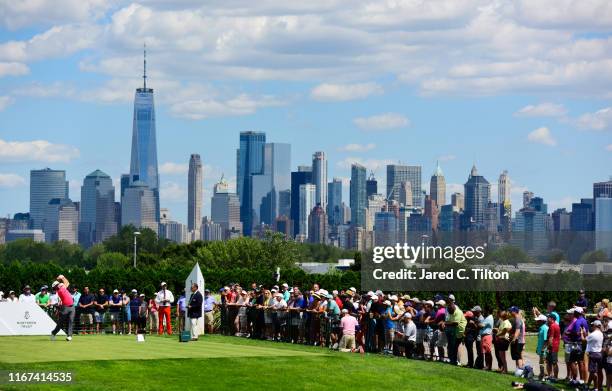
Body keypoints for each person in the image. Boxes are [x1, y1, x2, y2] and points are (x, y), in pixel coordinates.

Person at [50, 275, 74, 342]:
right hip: (65, 307)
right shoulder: (60, 290)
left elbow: (65, 283)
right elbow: (67, 283)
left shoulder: (61, 288)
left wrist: (60, 279)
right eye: (57, 285)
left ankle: (69, 336)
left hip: (72, 307)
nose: (59, 285)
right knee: (61, 322)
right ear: (56, 287)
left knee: (71, 321)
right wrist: (62, 277)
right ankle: (53, 333)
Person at [586, 320, 604, 391]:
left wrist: (582, 333)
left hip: (593, 354)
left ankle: (596, 387)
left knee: (593, 372)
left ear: (595, 326)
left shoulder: (593, 334)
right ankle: (590, 386)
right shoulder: (601, 333)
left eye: (592, 325)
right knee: (596, 371)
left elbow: (585, 339)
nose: (592, 326)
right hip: (599, 354)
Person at [545, 312, 561, 381]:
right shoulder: (556, 325)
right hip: (555, 346)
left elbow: (551, 338)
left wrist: (548, 347)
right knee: (553, 362)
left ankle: (553, 376)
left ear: (552, 319)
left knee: (551, 362)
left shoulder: (552, 326)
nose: (547, 319)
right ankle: (553, 376)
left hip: (552, 347)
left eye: (548, 317)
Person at [534, 314, 549, 380]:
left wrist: (543, 349)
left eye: (538, 321)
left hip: (544, 350)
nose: (537, 322)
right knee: (541, 362)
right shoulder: (541, 328)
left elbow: (546, 340)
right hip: (541, 349)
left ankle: (544, 376)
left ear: (542, 321)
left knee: (543, 363)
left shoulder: (545, 328)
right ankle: (541, 375)